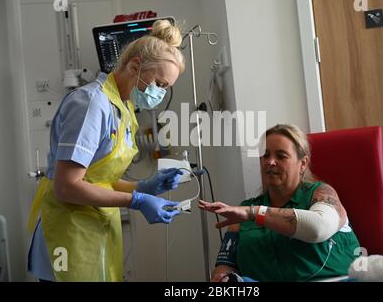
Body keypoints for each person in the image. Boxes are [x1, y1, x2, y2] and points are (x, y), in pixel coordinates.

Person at [27, 20, 185, 282]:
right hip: (68, 237)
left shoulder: (122, 108)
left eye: (166, 88)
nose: (160, 93)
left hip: (91, 234)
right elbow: (66, 186)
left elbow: (99, 180)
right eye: (159, 83)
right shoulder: (91, 104)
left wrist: (143, 188)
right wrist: (137, 201)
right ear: (134, 66)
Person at [199, 124, 360, 282]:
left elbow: (318, 227)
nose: (270, 162)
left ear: (303, 163)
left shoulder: (321, 194)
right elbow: (224, 268)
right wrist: (224, 278)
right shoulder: (242, 213)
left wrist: (253, 213)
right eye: (265, 155)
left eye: (281, 156)